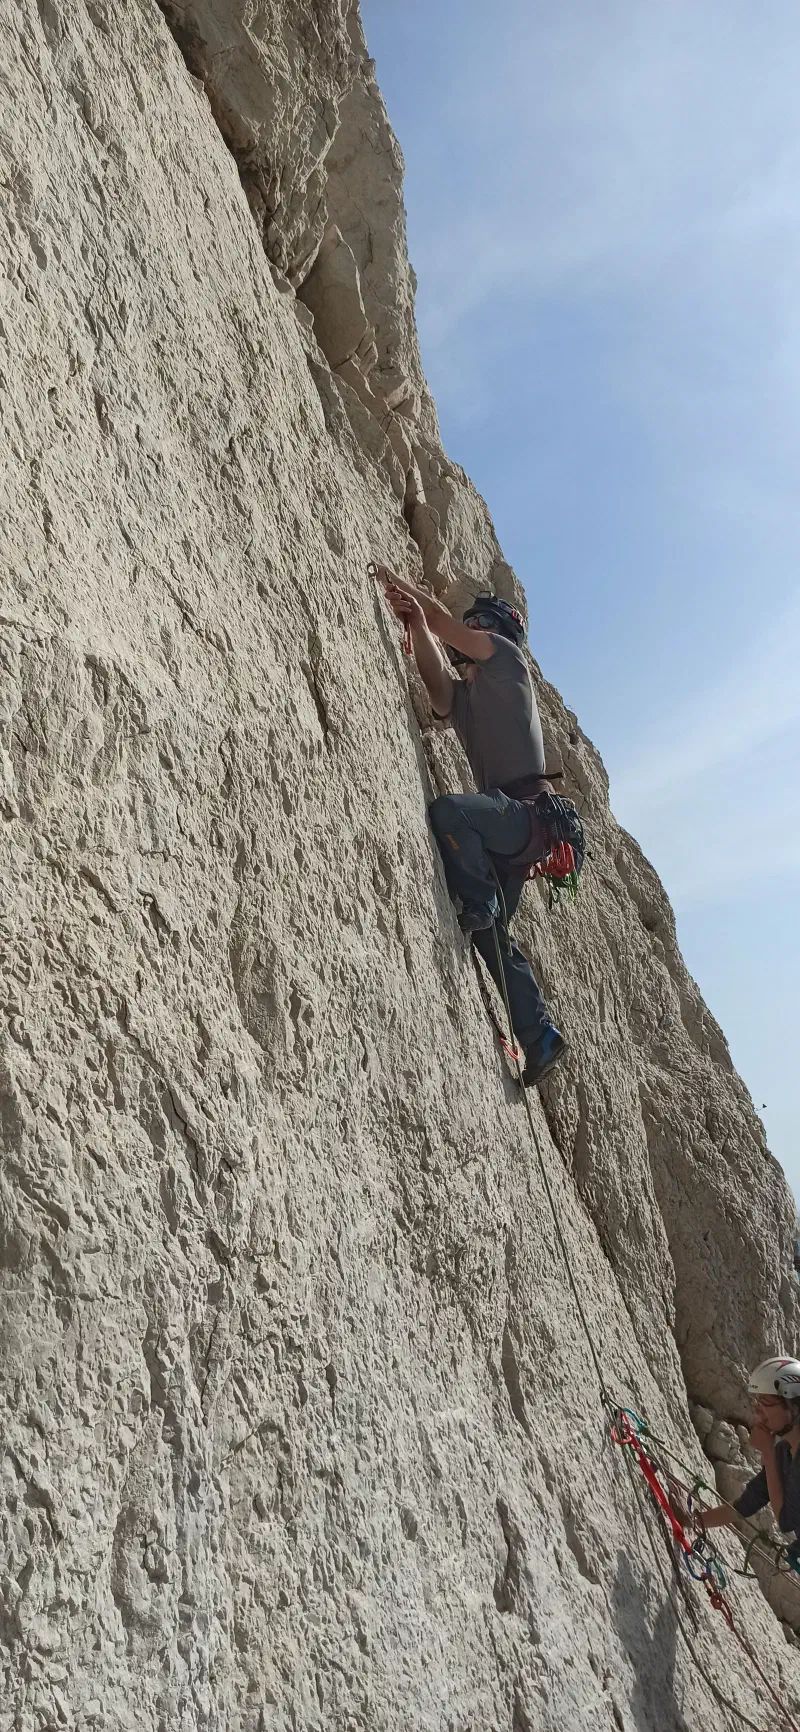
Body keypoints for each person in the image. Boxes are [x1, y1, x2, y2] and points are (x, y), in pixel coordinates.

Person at [376, 564, 582, 1088]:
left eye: (480, 626)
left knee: (450, 812)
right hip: (511, 832)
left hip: (520, 816)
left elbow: (443, 623)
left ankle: (481, 899)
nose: (473, 635)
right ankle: (540, 1036)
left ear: (495, 631)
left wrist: (405, 590)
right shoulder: (470, 700)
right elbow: (437, 683)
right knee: (494, 941)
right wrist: (415, 626)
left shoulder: (509, 660)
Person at [698, 1358, 800, 1560]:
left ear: (793, 1408)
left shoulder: (780, 1455)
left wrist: (768, 1455)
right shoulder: (784, 1453)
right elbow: (745, 1505)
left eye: (765, 1403)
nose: (757, 1411)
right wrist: (692, 1520)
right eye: (757, 1403)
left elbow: (787, 1520)